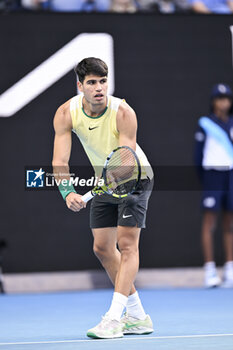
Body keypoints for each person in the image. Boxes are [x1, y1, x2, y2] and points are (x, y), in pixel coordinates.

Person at [52, 57, 154, 338]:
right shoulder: (65, 113)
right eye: (92, 83)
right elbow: (59, 160)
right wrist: (67, 191)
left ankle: (113, 317)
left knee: (127, 245)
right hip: (105, 181)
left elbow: (125, 160)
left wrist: (106, 182)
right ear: (80, 86)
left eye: (103, 82)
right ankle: (138, 316)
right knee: (102, 248)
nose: (99, 88)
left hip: (134, 179)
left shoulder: (123, 112)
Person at [194, 83, 233, 288]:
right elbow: (197, 156)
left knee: (229, 223)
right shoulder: (205, 123)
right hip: (212, 177)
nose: (223, 103)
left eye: (226, 99)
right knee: (210, 223)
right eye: (219, 99)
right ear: (213, 102)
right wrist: (206, 178)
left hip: (230, 176)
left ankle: (230, 268)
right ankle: (209, 269)